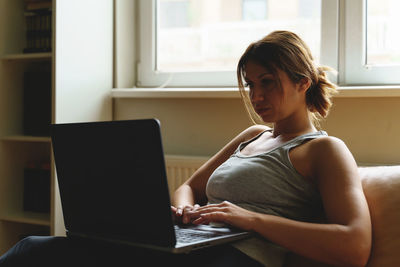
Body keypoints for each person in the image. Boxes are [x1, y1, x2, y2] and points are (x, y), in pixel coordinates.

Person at [0, 30, 371, 267]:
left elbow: (354, 246)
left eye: (268, 82)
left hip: (238, 257)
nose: (256, 95)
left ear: (302, 82)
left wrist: (245, 218)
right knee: (33, 248)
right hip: (189, 246)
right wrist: (186, 209)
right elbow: (190, 186)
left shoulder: (325, 150)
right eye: (250, 84)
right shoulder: (251, 135)